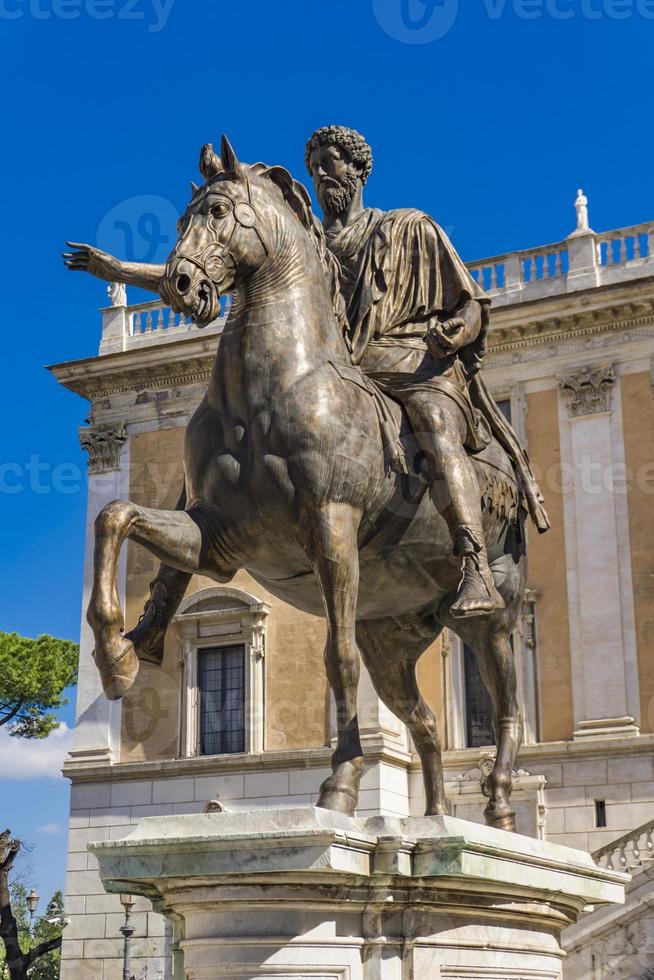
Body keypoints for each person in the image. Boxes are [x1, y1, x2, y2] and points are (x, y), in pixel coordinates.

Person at [305, 125, 549, 618]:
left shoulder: (410, 227)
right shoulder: (310, 246)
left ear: (356, 169)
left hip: (415, 365)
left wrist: (456, 333)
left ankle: (474, 565)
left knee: (435, 429)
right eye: (313, 168)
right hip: (346, 371)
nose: (320, 175)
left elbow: (471, 304)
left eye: (329, 162)